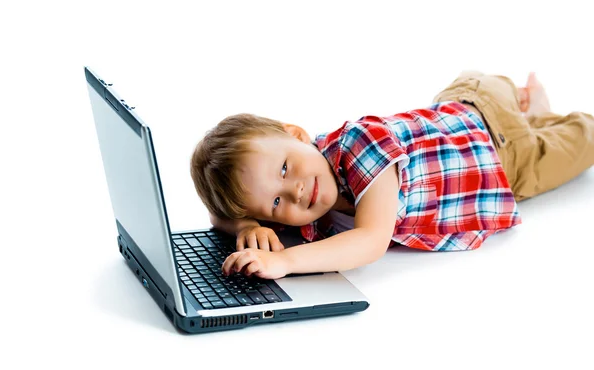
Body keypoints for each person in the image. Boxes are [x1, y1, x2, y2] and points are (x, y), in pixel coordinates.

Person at [190, 72, 594, 279]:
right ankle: (538, 110)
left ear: (296, 134)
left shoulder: (359, 145)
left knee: (584, 140)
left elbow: (370, 241)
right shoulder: (302, 201)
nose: (295, 192)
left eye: (284, 168)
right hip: (457, 118)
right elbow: (219, 215)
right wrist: (243, 224)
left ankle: (537, 113)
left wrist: (286, 263)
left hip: (503, 154)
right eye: (276, 203)